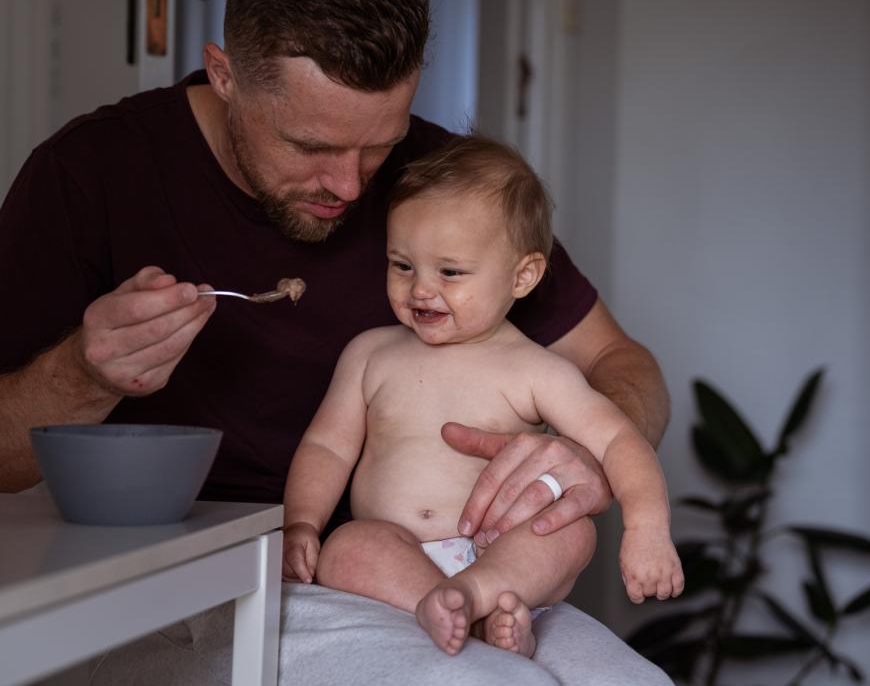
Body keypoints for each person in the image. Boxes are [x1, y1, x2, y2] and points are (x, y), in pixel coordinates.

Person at [0, 0, 673, 685]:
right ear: (223, 75)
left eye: (379, 144)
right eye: (311, 146)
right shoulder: (94, 173)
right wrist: (82, 374)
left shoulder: (444, 188)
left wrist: (585, 456)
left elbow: (623, 362)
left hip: (447, 567)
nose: (347, 186)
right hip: (206, 580)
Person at [283, 136, 685, 658]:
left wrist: (647, 528)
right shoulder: (369, 355)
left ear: (523, 276)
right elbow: (327, 448)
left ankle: (474, 596)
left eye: (449, 272)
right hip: (397, 552)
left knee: (572, 534)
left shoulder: (537, 370)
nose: (422, 289)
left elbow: (618, 442)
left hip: (499, 553)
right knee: (347, 547)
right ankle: (460, 613)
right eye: (402, 265)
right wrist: (301, 523)